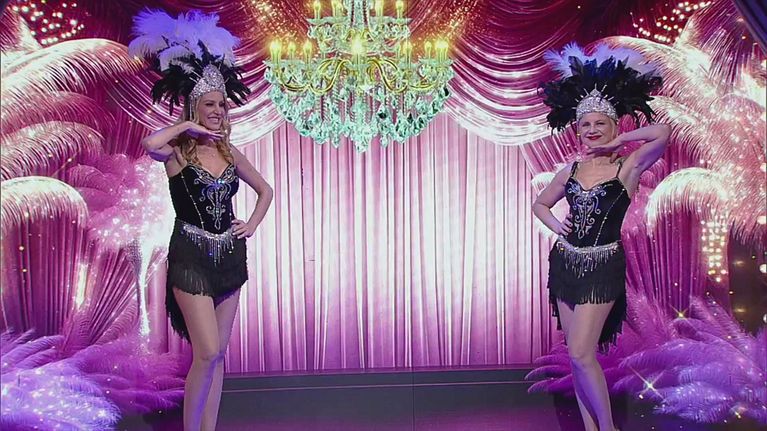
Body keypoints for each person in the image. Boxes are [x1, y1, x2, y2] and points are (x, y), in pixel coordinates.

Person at [129, 10, 273, 431]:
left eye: (221, 104)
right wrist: (188, 125)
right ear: (194, 107)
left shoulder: (229, 152)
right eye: (209, 104)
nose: (218, 110)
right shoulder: (177, 153)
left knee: (219, 355)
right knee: (206, 351)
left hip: (229, 257)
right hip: (190, 256)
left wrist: (251, 225)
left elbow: (265, 190)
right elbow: (149, 143)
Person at [533, 43, 671, 431]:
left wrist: (620, 142)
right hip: (565, 264)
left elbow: (662, 132)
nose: (592, 130)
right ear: (577, 130)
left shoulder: (628, 167)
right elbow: (540, 204)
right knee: (576, 356)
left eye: (600, 124)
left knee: (581, 352)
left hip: (603, 265)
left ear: (614, 126)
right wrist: (555, 225)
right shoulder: (571, 170)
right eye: (585, 125)